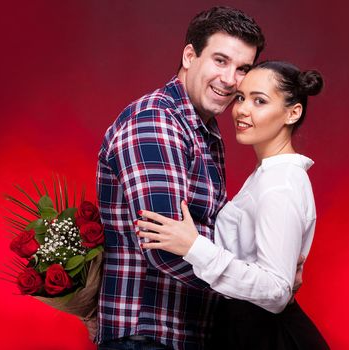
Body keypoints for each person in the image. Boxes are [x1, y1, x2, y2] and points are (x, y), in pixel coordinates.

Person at [96, 6, 265, 350]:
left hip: (182, 334)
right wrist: (257, 282)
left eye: (242, 68)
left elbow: (199, 236)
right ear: (190, 55)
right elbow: (167, 247)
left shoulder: (199, 127)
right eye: (220, 61)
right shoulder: (156, 123)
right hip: (147, 335)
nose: (230, 79)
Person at [136, 61, 330, 349]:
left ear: (293, 113)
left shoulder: (280, 183)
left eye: (259, 101)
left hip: (265, 334)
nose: (241, 110)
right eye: (240, 97)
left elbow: (276, 291)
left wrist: (193, 247)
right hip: (245, 327)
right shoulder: (268, 176)